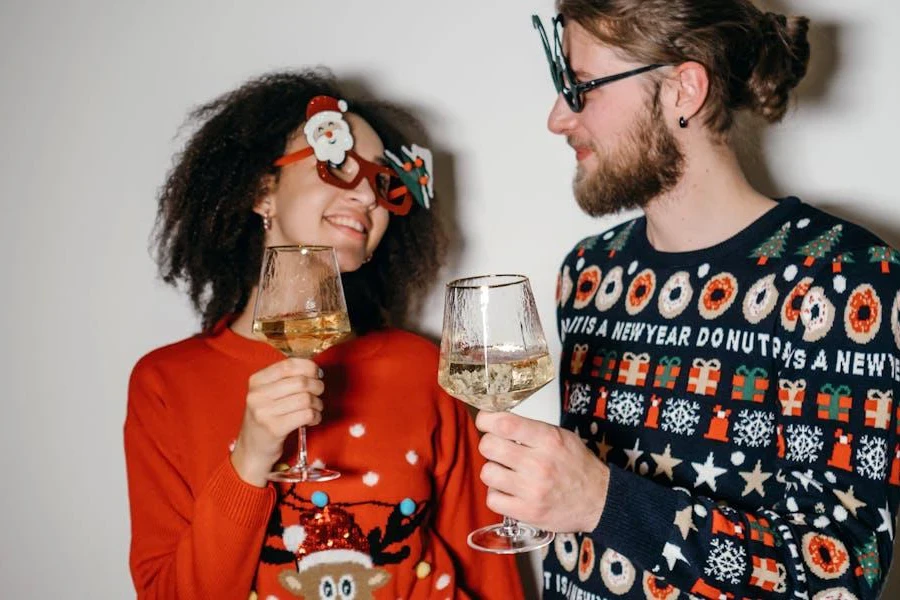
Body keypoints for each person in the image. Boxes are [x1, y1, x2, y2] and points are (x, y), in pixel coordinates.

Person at [475, 2, 900, 598]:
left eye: (580, 86)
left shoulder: (843, 278)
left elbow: (839, 575)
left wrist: (602, 500)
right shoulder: (589, 271)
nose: (557, 118)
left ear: (684, 88)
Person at [124, 69, 524, 599]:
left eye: (384, 182)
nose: (368, 195)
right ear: (260, 190)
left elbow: (487, 568)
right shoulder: (166, 384)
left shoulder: (420, 367)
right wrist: (249, 460)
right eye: (335, 163)